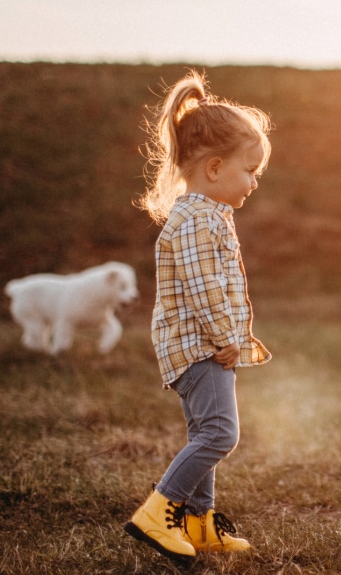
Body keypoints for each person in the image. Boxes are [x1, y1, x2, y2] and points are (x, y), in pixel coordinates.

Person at [124, 70, 272, 565]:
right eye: (249, 170)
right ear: (213, 168)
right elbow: (203, 287)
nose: (253, 182)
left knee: (204, 431)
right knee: (219, 435)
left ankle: (199, 523)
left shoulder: (208, 216)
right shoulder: (196, 220)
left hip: (201, 345)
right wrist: (226, 338)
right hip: (200, 347)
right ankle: (157, 511)